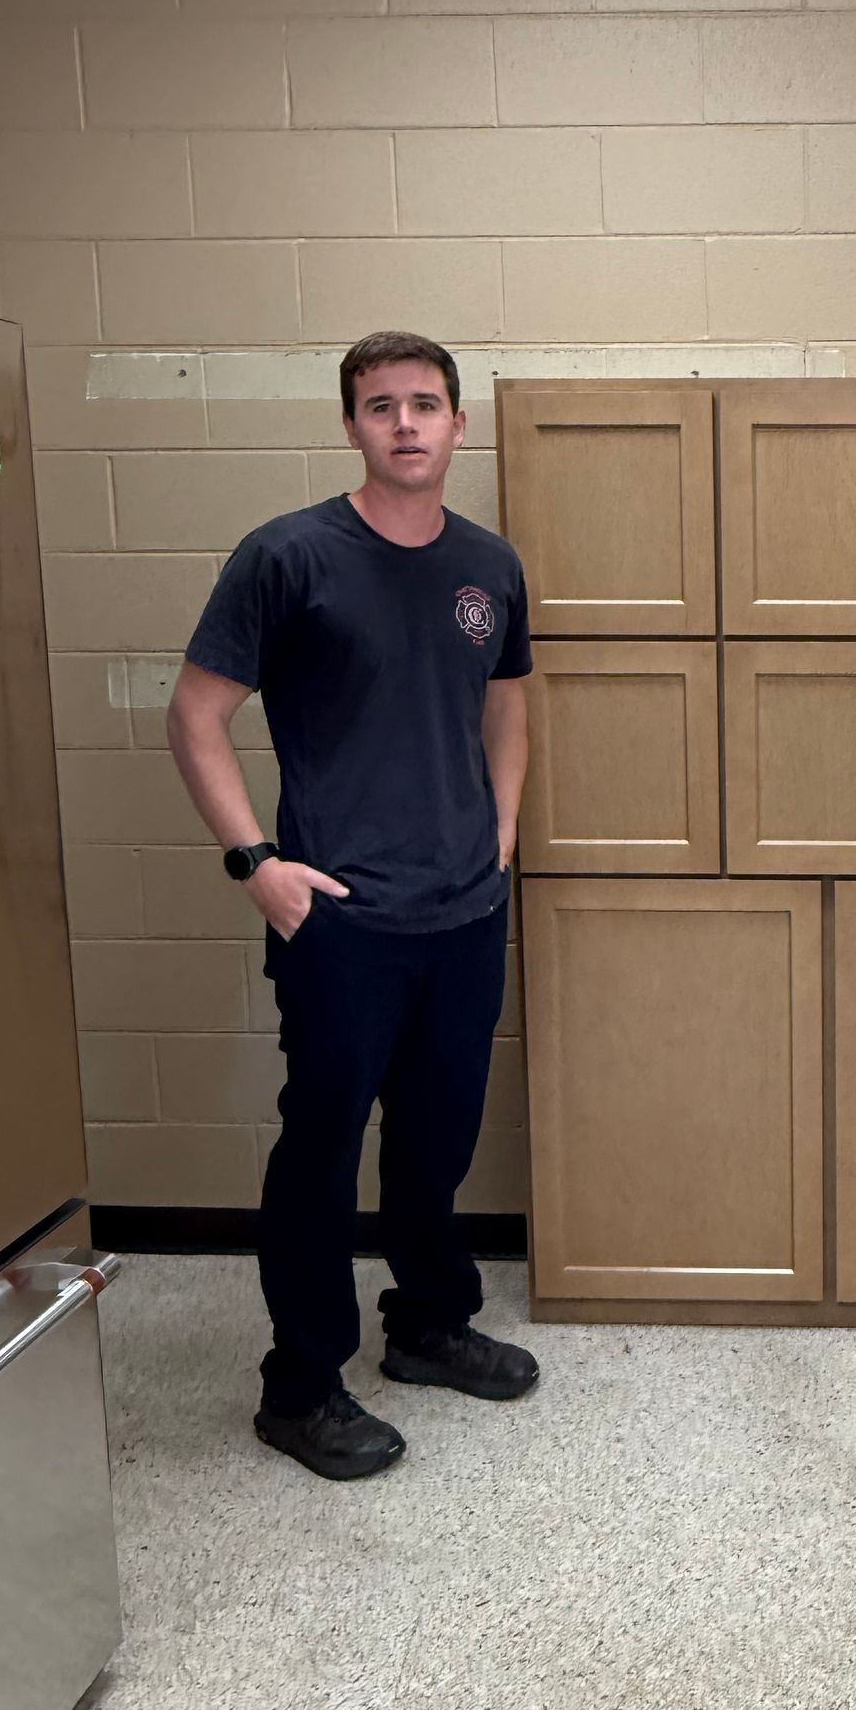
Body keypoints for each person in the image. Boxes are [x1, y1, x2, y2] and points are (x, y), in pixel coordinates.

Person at [167, 328, 539, 1481]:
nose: (406, 423)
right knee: (322, 1151)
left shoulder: (489, 566)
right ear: (351, 425)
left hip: (463, 912)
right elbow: (194, 714)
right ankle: (301, 1386)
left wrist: (500, 833)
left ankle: (427, 1324)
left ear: (458, 424)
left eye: (426, 403)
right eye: (382, 406)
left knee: (438, 1136)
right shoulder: (288, 557)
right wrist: (257, 863)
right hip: (339, 919)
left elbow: (508, 704)